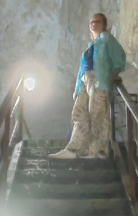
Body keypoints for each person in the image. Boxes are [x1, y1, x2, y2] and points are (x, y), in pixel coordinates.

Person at [50, 13, 126, 159]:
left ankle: (97, 151)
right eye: (91, 22)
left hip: (99, 80)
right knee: (79, 113)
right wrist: (77, 90)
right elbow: (81, 71)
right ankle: (73, 149)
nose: (93, 24)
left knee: (97, 114)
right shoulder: (91, 46)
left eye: (97, 21)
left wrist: (113, 74)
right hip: (85, 81)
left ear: (104, 25)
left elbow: (119, 56)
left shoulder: (107, 39)